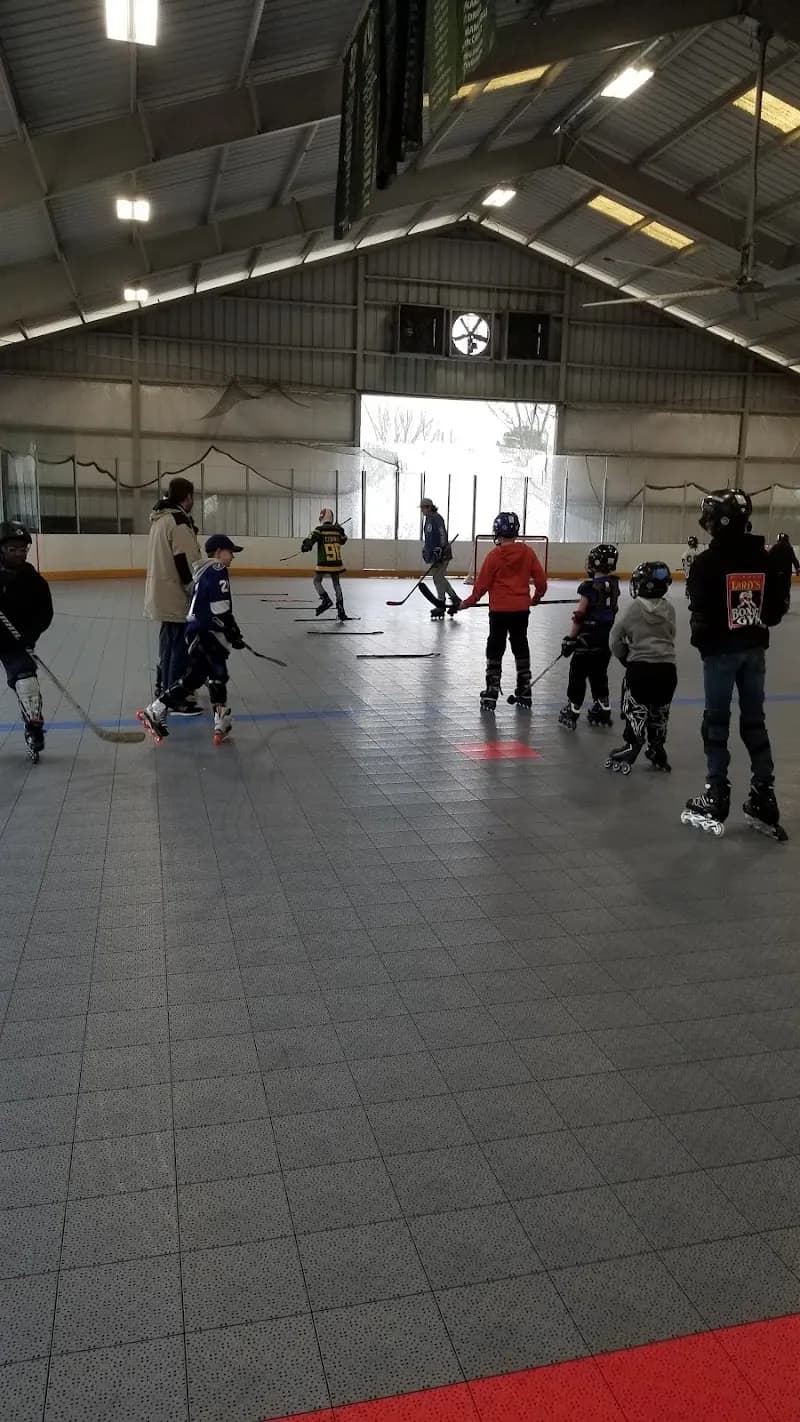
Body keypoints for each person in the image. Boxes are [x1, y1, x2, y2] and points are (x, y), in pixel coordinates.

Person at [682, 489, 787, 839]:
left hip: (720, 653)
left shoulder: (706, 563)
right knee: (754, 722)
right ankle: (763, 793)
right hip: (754, 651)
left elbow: (699, 613)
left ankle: (716, 792)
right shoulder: (766, 559)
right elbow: (774, 612)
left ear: (721, 522)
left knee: (715, 723)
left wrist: (706, 643)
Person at [138, 535, 245, 746]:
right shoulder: (217, 569)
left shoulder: (204, 571)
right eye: (230, 551)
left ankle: (216, 719)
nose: (232, 556)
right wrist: (232, 631)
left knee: (205, 676)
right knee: (207, 676)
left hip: (198, 631)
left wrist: (230, 631)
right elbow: (219, 606)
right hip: (208, 631)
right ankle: (158, 710)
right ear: (218, 551)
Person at [454, 511, 547, 710]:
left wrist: (466, 603)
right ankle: (524, 690)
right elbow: (541, 582)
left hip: (499, 612)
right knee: (520, 645)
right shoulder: (528, 553)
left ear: (496, 531)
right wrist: (535, 598)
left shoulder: (494, 556)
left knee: (495, 647)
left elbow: (481, 587)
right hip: (521, 611)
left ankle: (492, 691)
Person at [606, 561, 677, 775]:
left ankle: (632, 742)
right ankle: (657, 747)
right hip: (667, 669)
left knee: (634, 708)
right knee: (660, 711)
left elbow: (614, 639)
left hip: (640, 668)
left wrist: (624, 657)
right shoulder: (669, 609)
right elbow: (671, 636)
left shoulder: (634, 608)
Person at [144, 476, 201, 713]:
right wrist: (195, 590)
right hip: (175, 593)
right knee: (179, 646)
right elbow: (185, 561)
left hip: (161, 592)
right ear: (187, 497)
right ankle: (175, 697)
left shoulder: (161, 519)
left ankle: (164, 689)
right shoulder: (178, 521)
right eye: (192, 497)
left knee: (168, 643)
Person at [0, 522, 53, 762]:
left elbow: (45, 614)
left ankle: (33, 729)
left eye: (23, 549)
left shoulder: (35, 581)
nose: (20, 553)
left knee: (27, 685)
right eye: (13, 549)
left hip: (16, 643)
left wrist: (29, 637)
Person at [558, 544, 620, 730]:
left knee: (577, 672)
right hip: (605, 638)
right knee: (599, 673)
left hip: (587, 638)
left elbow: (580, 615)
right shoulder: (615, 584)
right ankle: (603, 705)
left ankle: (573, 707)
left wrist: (570, 638)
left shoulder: (589, 587)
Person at [302, 508, 348, 621]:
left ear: (322, 517)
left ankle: (326, 600)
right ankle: (341, 610)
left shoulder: (319, 529)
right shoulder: (337, 530)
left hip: (324, 562)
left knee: (316, 581)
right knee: (336, 584)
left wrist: (305, 546)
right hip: (336, 563)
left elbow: (310, 539)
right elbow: (343, 540)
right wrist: (341, 530)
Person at [420, 497, 460, 619]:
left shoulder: (437, 518)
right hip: (434, 554)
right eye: (421, 508)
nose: (422, 510)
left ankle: (441, 604)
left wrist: (441, 549)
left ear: (429, 507)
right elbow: (429, 538)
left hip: (442, 554)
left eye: (423, 508)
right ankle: (454, 598)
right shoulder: (428, 520)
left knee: (438, 578)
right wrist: (426, 550)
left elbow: (442, 534)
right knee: (439, 578)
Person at [769, 532, 799, 614]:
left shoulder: (775, 547)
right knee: (786, 589)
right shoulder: (789, 548)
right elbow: (794, 559)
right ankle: (786, 601)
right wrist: (797, 568)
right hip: (786, 573)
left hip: (776, 573)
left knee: (775, 588)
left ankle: (777, 603)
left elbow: (768, 557)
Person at [681, 535, 703, 599]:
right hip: (696, 570)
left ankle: (687, 593)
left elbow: (683, 561)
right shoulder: (698, 552)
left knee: (688, 582)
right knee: (696, 582)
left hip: (688, 571)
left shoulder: (685, 553)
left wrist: (685, 568)